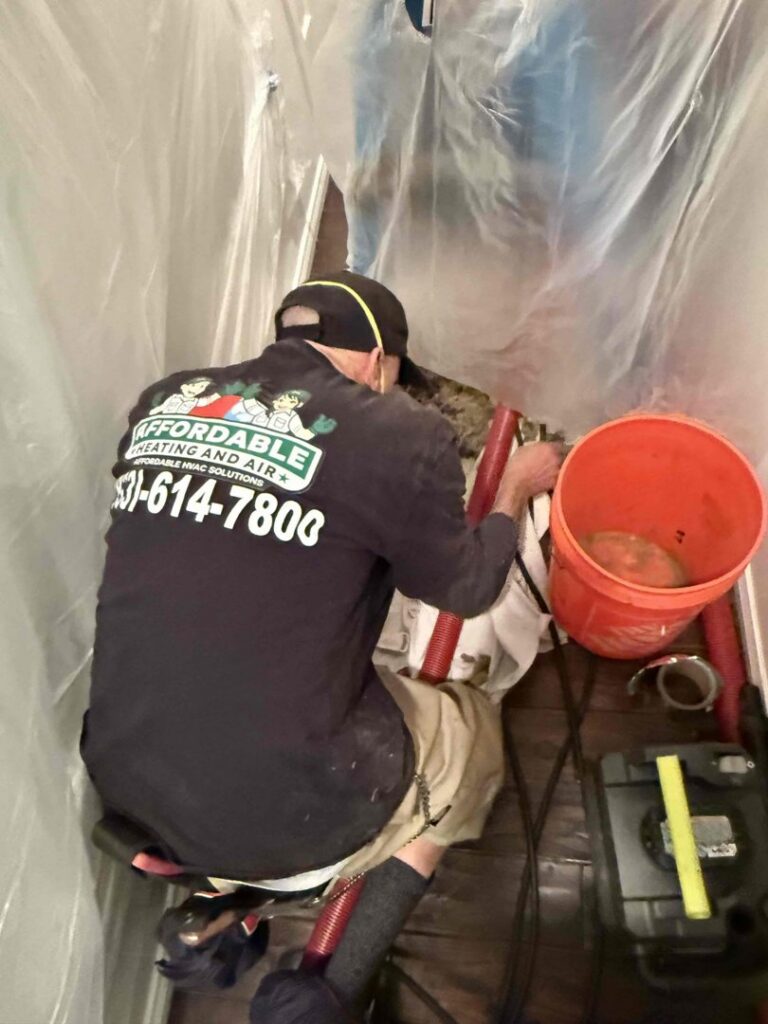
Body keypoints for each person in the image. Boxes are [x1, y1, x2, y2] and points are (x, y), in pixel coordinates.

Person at [80, 270, 561, 966]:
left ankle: (231, 892)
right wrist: (514, 486)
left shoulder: (165, 400)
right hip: (280, 810)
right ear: (378, 361)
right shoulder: (402, 433)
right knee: (471, 734)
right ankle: (336, 970)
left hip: (125, 774)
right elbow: (468, 589)